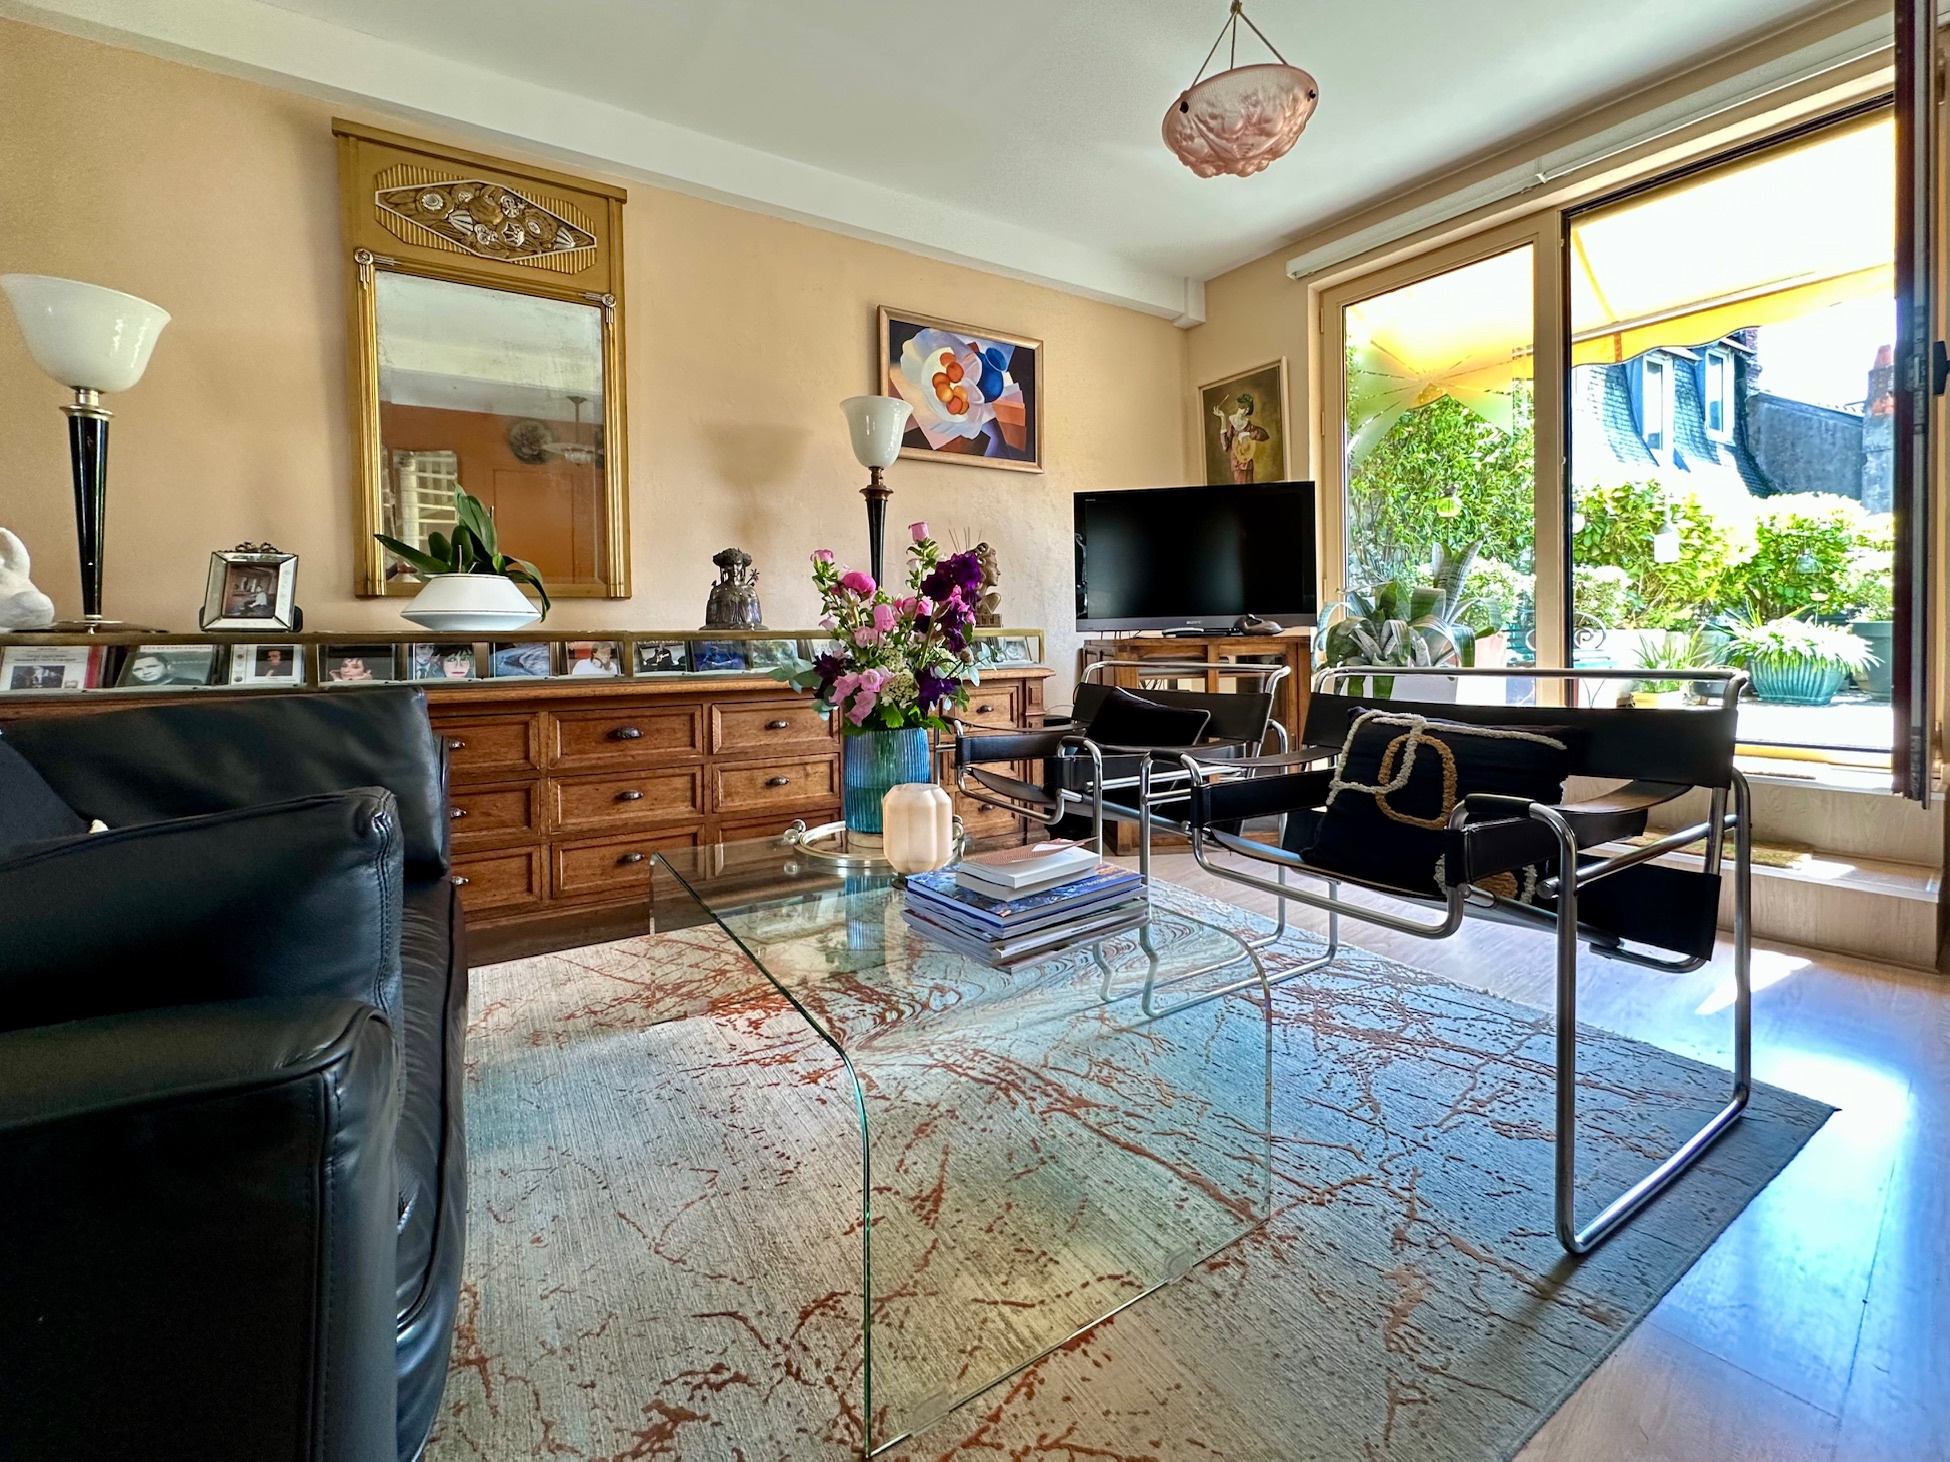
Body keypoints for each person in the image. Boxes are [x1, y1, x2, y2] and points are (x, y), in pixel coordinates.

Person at [1215, 391, 1270, 484]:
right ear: (1239, 406)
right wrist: (1223, 419)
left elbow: (1264, 435)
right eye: (1243, 407)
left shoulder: (1247, 423)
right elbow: (1225, 446)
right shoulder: (1231, 421)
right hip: (1237, 464)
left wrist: (1247, 434)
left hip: (1248, 462)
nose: (1245, 411)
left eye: (1247, 409)